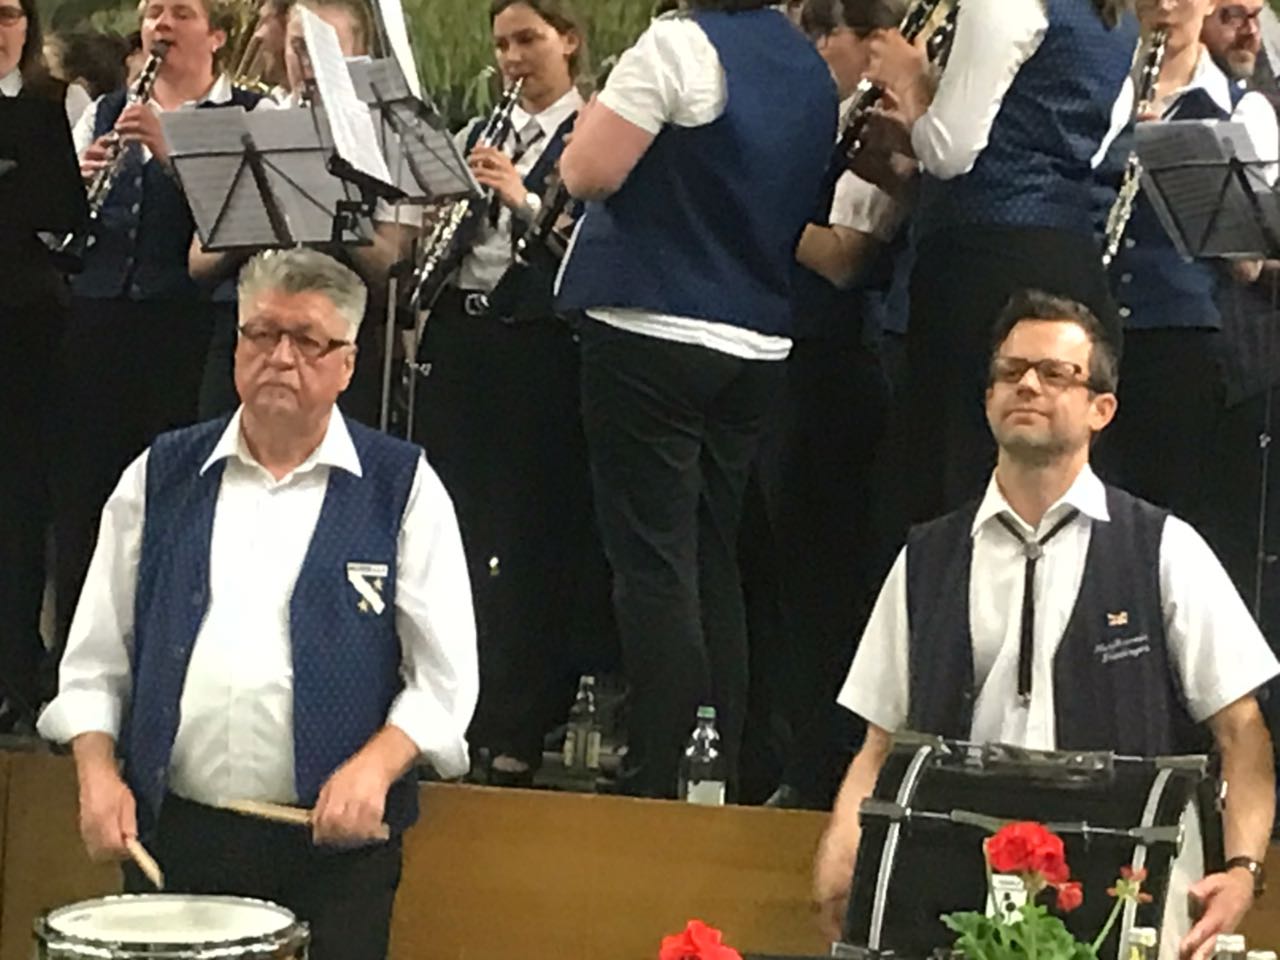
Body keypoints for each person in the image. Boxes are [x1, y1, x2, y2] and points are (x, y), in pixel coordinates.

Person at [38, 248, 479, 960]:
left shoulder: (402, 488)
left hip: (332, 857)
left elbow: (445, 680)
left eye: (307, 340)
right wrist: (97, 773)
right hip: (177, 839)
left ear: (347, 364)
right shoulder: (160, 474)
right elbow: (94, 661)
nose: (280, 357)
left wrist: (376, 767)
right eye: (262, 334)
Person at [811, 290, 1278, 960]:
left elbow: (1242, 729)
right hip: (951, 883)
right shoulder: (927, 558)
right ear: (988, 399)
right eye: (1010, 371)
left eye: (1055, 373)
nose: (1027, 385)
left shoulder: (1162, 548)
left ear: (1101, 409)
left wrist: (1242, 869)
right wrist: (841, 850)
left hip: (1122, 885)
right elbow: (881, 741)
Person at [555, 0, 838, 799]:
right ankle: (716, 764)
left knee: (653, 560)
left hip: (653, 322)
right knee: (713, 558)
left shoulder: (677, 45)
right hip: (756, 337)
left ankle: (657, 769)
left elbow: (586, 172)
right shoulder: (808, 65)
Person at [415, 0, 609, 787]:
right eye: (501, 45)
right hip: (462, 335)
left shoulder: (593, 132)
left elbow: (592, 246)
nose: (512, 59)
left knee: (528, 535)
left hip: (537, 340)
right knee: (450, 526)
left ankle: (518, 720)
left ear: (569, 40)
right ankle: (448, 707)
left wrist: (521, 196)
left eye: (528, 40)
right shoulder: (478, 132)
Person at [858, 0, 1137, 525]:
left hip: (982, 267)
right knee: (1045, 476)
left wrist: (912, 81)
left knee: (957, 471)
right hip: (1068, 257)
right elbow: (1082, 146)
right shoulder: (1118, 23)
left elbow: (950, 152)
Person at [50, 0, 270, 666]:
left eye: (180, 12)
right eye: (152, 13)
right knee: (85, 496)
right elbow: (56, 222)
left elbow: (242, 221)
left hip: (187, 324)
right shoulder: (105, 110)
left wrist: (172, 156)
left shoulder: (249, 115)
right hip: (97, 317)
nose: (160, 26)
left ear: (218, 34)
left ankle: (165, 664)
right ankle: (76, 668)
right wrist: (72, 188)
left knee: (174, 498)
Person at [1095, 0, 1278, 536]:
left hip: (1179, 340)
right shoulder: (1105, 85)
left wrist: (1175, 162)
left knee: (1166, 522)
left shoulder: (1243, 111)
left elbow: (1247, 265)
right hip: (1094, 328)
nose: (1166, 7)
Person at [0, 0, 77, 732]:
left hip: (21, 324)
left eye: (7, 15)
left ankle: (15, 671)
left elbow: (64, 220)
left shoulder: (48, 108)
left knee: (17, 502)